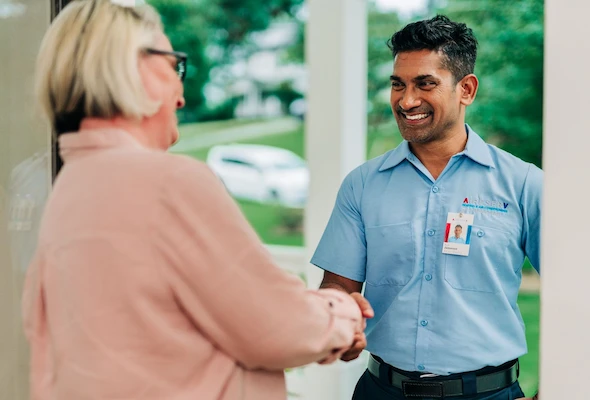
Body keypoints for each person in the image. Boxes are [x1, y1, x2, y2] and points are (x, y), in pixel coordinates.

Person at [21, 1, 373, 399]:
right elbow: (273, 326)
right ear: (137, 68)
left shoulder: (72, 187)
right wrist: (342, 314)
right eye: (175, 65)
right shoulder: (167, 183)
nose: (182, 95)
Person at [311, 15, 542, 400]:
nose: (407, 101)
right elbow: (337, 286)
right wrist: (339, 320)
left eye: (425, 84)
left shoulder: (523, 183)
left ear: (466, 89)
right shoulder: (363, 184)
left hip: (488, 394)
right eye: (398, 85)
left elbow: (581, 295)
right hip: (380, 391)